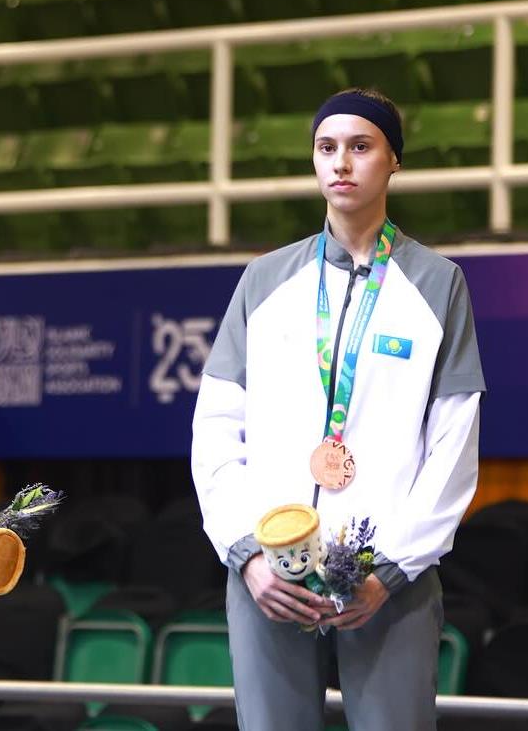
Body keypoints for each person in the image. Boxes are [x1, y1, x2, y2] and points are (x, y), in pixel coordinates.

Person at [191, 88, 485, 730]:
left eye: (361, 146)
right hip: (271, 576)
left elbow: (453, 449)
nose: (342, 163)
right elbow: (215, 431)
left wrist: (393, 570)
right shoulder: (264, 281)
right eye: (327, 148)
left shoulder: (437, 284)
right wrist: (247, 553)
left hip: (386, 581)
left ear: (393, 160)